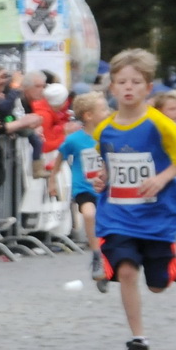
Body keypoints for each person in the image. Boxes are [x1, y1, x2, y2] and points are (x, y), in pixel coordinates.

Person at [85, 49, 176, 350]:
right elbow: (108, 163)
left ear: (149, 88)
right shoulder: (105, 128)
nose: (129, 87)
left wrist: (163, 178)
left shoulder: (161, 125)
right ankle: (138, 341)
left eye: (136, 82)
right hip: (119, 214)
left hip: (157, 216)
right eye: (122, 82)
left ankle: (173, 263)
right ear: (113, 88)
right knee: (126, 271)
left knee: (158, 285)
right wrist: (103, 179)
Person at [58, 91, 109, 279]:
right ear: (88, 115)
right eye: (103, 109)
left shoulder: (109, 135)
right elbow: (60, 155)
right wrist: (52, 178)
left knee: (108, 222)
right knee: (89, 214)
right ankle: (97, 255)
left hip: (106, 187)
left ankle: (109, 256)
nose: (108, 112)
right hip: (84, 187)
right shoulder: (74, 139)